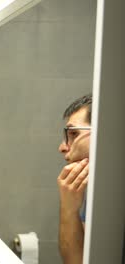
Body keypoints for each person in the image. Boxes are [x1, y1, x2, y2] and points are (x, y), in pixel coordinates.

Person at [57, 94, 92, 264]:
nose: (62, 147)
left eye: (74, 134)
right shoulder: (93, 189)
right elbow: (76, 261)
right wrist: (69, 208)